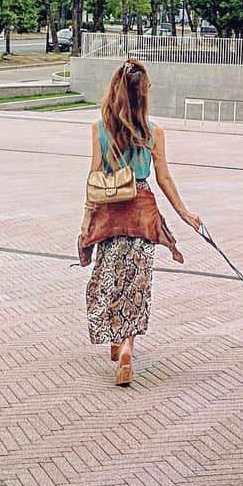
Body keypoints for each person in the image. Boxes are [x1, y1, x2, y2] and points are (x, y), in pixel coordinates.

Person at [79, 58, 201, 386]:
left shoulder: (99, 128)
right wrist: (185, 213)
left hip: (110, 213)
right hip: (143, 211)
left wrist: (86, 222)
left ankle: (117, 340)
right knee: (136, 284)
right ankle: (128, 348)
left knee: (108, 281)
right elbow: (163, 178)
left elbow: (94, 177)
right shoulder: (154, 132)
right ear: (143, 94)